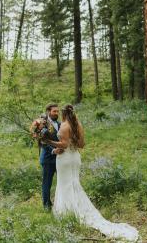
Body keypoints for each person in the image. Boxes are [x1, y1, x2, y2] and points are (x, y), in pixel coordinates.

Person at [43, 104, 139, 242]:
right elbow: (81, 144)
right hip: (75, 157)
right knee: (74, 183)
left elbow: (63, 145)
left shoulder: (64, 126)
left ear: (64, 114)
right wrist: (70, 144)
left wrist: (48, 141)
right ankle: (73, 208)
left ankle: (67, 212)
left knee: (65, 184)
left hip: (64, 159)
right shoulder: (78, 124)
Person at [39, 103, 63, 210]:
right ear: (48, 111)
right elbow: (42, 141)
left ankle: (61, 203)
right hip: (48, 158)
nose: (56, 113)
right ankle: (46, 205)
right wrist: (53, 150)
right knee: (47, 183)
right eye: (54, 111)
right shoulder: (42, 124)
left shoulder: (60, 124)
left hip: (60, 158)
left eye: (57, 111)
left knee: (62, 181)